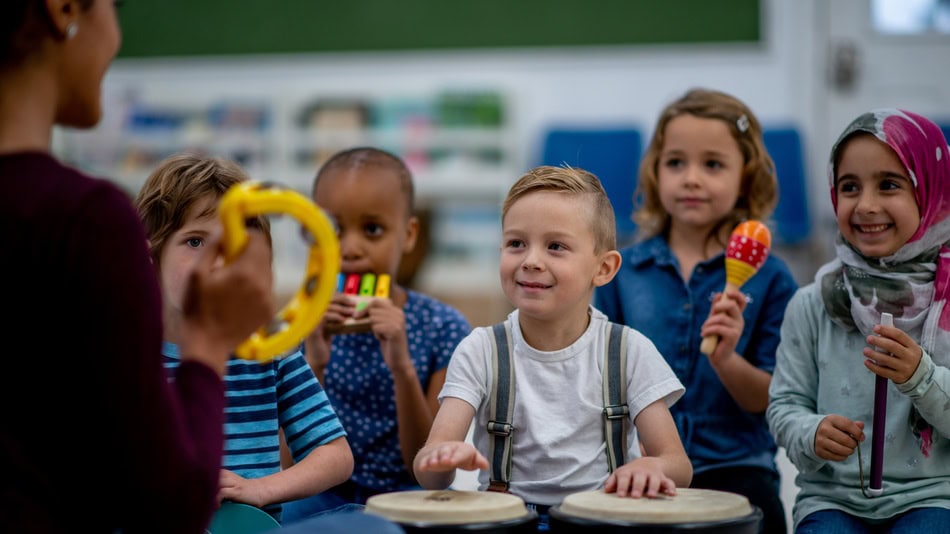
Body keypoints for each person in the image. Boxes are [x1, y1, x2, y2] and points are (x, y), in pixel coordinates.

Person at [0, 1, 275, 532]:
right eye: (114, 6)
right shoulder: (84, 221)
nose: (117, 35)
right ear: (65, 10)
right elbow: (170, 504)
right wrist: (208, 342)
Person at [413, 165, 692, 530]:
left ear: (604, 268)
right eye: (516, 243)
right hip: (506, 521)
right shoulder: (480, 349)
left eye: (555, 246)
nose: (530, 260)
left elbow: (678, 464)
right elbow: (430, 470)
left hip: (599, 518)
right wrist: (442, 459)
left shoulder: (628, 350)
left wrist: (651, 466)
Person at [593, 88, 798, 534]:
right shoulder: (620, 273)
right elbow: (600, 378)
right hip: (640, 463)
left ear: (745, 177)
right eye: (675, 162)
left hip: (737, 464)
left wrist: (726, 360)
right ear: (654, 173)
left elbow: (769, 399)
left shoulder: (773, 278)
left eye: (713, 164)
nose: (691, 178)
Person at [134, 152, 354, 524]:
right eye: (195, 241)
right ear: (150, 253)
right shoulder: (127, 356)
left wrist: (261, 489)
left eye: (231, 244)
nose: (216, 261)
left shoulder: (270, 348)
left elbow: (336, 456)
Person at [767, 109, 950, 533]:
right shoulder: (812, 304)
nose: (866, 206)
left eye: (889, 184)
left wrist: (920, 377)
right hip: (831, 501)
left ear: (934, 191)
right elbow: (784, 406)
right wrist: (811, 433)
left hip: (934, 496)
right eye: (849, 187)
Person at [282, 147, 472, 520]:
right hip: (322, 497)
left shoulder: (444, 328)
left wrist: (402, 368)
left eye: (372, 229)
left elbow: (429, 467)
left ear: (408, 234)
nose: (350, 249)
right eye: (333, 229)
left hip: (412, 497)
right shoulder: (299, 323)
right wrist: (313, 363)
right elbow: (288, 464)